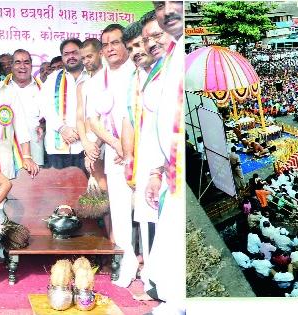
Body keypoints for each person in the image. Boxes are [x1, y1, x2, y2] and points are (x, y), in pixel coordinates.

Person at [119, 12, 171, 300]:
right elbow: (129, 121)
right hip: (146, 163)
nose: (138, 52)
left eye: (142, 44)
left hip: (162, 166)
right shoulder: (134, 80)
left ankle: (161, 288)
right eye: (133, 49)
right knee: (147, 224)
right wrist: (130, 160)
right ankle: (152, 283)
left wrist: (157, 170)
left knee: (161, 225)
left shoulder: (166, 73)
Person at [87, 24, 137, 288]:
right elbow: (93, 122)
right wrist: (117, 144)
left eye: (115, 43)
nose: (110, 49)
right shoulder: (97, 80)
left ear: (125, 44)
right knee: (119, 212)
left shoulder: (139, 73)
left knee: (147, 210)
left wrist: (130, 148)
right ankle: (125, 265)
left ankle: (151, 268)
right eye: (105, 44)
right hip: (115, 155)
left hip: (143, 154)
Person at [143, 2, 185, 313]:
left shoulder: (182, 52)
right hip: (170, 167)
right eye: (160, 5)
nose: (168, 10)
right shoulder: (169, 55)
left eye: (176, 3)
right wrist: (157, 170)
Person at [38, 38, 89, 173]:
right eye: (66, 54)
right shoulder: (53, 78)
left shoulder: (92, 76)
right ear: (62, 57)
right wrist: (62, 128)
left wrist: (81, 130)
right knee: (59, 192)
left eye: (74, 52)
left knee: (87, 192)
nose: (70, 56)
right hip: (57, 147)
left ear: (82, 53)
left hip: (87, 146)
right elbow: (45, 107)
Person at [1, 49, 44, 166]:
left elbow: (50, 117)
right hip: (6, 154)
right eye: (18, 62)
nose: (22, 66)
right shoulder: (1, 89)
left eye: (26, 62)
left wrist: (43, 125)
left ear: (31, 64)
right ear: (12, 65)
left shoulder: (44, 89)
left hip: (35, 153)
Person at [76, 38, 107, 191]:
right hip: (89, 141)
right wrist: (86, 143)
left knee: (109, 188)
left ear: (100, 53)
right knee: (99, 189)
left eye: (89, 56)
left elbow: (109, 118)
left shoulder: (110, 80)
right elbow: (80, 118)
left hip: (107, 141)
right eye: (83, 58)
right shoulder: (83, 85)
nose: (86, 61)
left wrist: (96, 146)